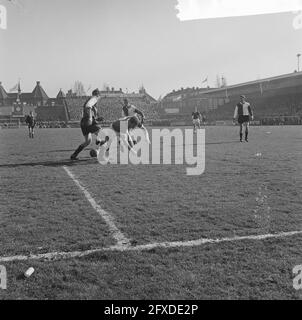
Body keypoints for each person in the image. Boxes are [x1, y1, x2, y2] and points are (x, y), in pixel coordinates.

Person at [70, 89, 103, 160]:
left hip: (83, 123)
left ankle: (74, 155)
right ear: (98, 95)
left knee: (88, 141)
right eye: (99, 96)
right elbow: (88, 107)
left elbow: (89, 110)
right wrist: (90, 117)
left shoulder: (91, 102)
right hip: (88, 121)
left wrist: (96, 118)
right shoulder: (94, 98)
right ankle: (99, 147)